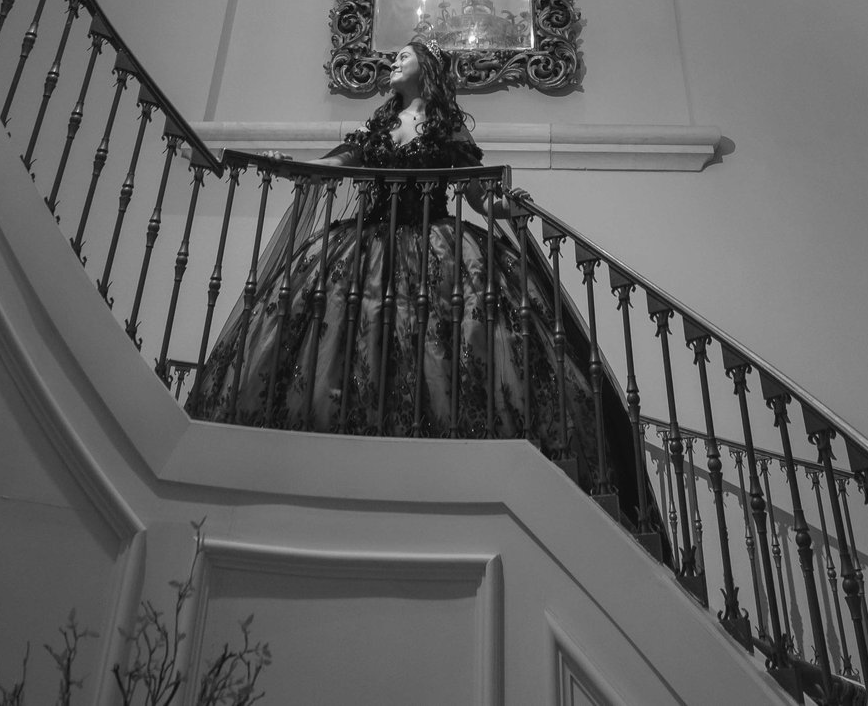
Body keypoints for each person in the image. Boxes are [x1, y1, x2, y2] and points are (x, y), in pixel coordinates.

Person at [185, 41, 654, 532]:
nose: (392, 63)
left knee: (456, 334)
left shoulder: (446, 127)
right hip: (369, 243)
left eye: (401, 58)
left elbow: (475, 192)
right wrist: (288, 163)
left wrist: (506, 208)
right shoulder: (380, 124)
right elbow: (335, 165)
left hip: (435, 245)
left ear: (424, 67)